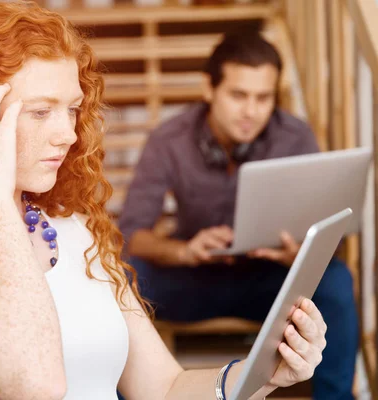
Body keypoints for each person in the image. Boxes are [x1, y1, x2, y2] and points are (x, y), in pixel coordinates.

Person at [0, 3, 327, 399]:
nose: (67, 134)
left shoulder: (74, 229)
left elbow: (166, 387)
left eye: (73, 109)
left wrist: (261, 376)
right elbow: (30, 381)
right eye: (41, 111)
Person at [119, 31, 358, 400]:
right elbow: (133, 232)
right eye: (238, 95)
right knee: (121, 279)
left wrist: (297, 254)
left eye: (263, 98)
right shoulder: (170, 139)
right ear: (208, 89)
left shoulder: (294, 136)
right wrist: (183, 251)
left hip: (267, 282)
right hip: (193, 278)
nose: (251, 111)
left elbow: (327, 235)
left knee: (336, 281)